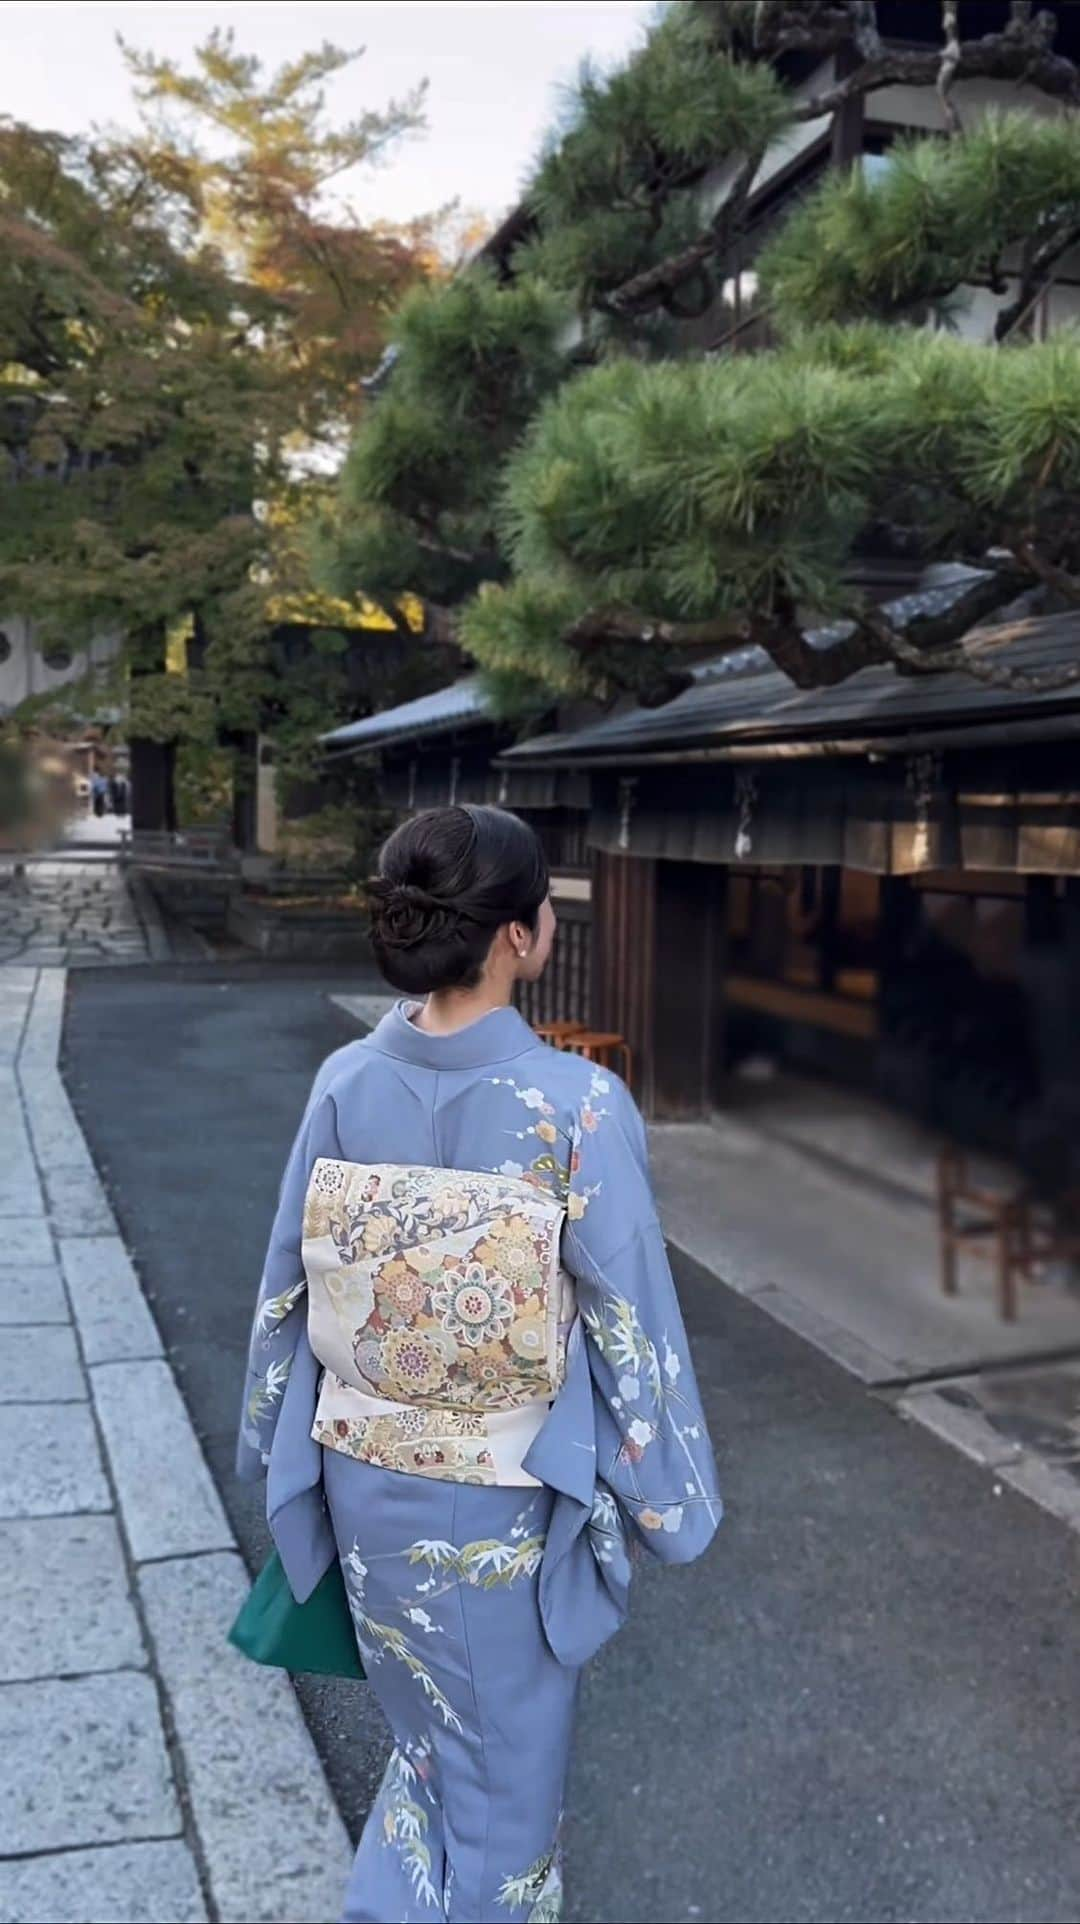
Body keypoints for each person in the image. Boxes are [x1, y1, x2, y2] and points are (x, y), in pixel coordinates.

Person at [237, 804, 721, 1924]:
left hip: (363, 1482)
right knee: (505, 1806)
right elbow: (629, 1320)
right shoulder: (575, 1106)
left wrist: (276, 1456)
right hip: (496, 1516)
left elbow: (284, 1295)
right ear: (519, 933)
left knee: (425, 1761)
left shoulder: (345, 1083)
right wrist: (668, 1501)